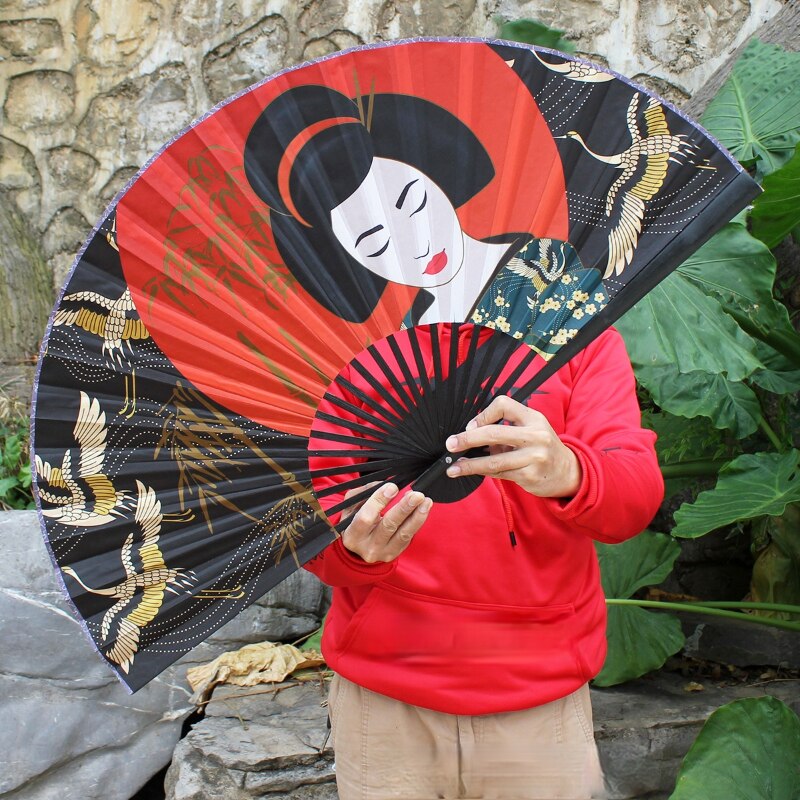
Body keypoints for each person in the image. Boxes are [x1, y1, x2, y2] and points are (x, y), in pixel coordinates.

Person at [245, 81, 663, 799]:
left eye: (411, 203)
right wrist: (354, 553)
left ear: (441, 176)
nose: (416, 243)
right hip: (385, 702)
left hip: (539, 694)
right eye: (376, 240)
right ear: (355, 262)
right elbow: (309, 532)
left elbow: (631, 503)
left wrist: (567, 469)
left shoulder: (562, 304)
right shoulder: (352, 355)